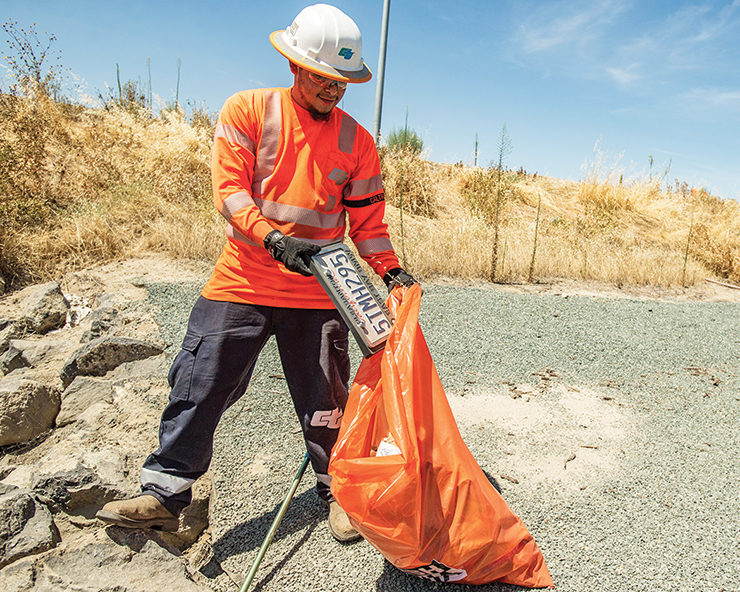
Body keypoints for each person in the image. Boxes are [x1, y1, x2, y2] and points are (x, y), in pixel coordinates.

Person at [96, 3, 416, 542]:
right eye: (323, 77)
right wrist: (271, 238)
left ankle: (338, 495)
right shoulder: (249, 110)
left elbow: (367, 221)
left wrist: (391, 270)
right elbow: (229, 191)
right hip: (241, 280)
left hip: (319, 291)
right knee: (200, 382)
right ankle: (164, 495)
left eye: (343, 81)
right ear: (294, 65)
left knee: (328, 402)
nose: (334, 89)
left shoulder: (357, 142)